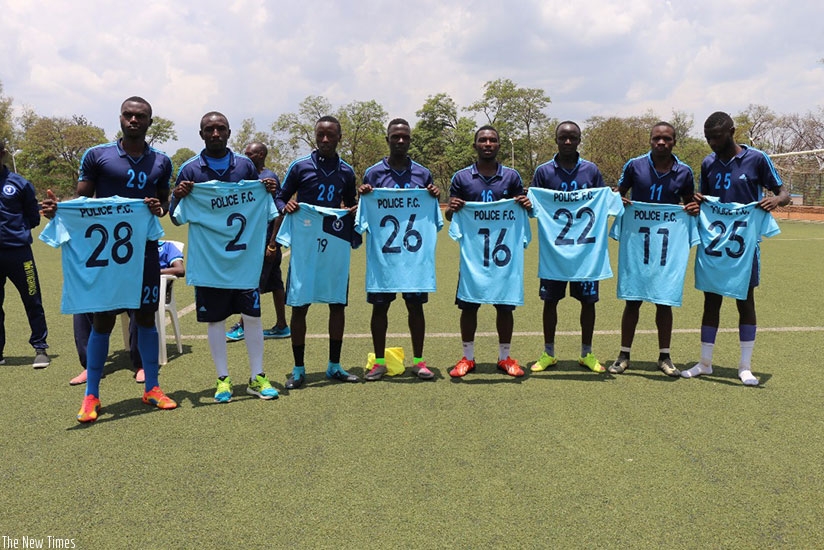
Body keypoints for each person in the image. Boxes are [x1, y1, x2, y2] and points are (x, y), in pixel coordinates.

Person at [40, 96, 177, 422]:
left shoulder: (162, 161)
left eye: (140, 116)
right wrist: (57, 211)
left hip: (143, 252)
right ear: (120, 118)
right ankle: (92, 396)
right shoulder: (97, 155)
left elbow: (164, 204)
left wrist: (160, 209)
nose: (133, 120)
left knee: (145, 318)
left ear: (149, 122)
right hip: (109, 259)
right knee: (102, 321)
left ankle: (152, 388)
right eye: (128, 115)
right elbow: (82, 201)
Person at [170, 112, 279, 403]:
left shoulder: (244, 166)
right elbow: (176, 217)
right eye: (209, 129)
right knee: (216, 321)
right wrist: (179, 195)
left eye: (220, 129)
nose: (215, 133)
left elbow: (262, 203)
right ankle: (223, 379)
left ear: (229, 132)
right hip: (210, 263)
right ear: (201, 133)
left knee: (253, 317)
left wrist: (266, 189)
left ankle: (257, 376)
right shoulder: (191, 169)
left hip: (244, 261)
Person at [681, 111, 789, 386]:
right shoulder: (708, 163)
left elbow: (783, 192)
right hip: (715, 246)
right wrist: (696, 203)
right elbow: (704, 201)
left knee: (745, 301)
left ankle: (745, 366)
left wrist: (775, 200)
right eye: (708, 138)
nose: (712, 143)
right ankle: (705, 363)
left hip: (744, 246)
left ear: (732, 132)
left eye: (716, 137)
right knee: (711, 302)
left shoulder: (756, 158)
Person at [275, 115, 360, 389]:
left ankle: (334, 365)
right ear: (315, 136)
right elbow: (279, 196)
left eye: (330, 135)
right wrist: (285, 206)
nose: (325, 139)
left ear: (339, 138)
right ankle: (298, 369)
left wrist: (352, 210)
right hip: (305, 242)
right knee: (300, 305)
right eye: (320, 134)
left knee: (337, 303)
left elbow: (352, 203)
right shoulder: (300, 166)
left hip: (333, 242)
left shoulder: (346, 171)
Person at [608, 122, 695, 377]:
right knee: (632, 301)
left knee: (663, 301)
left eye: (666, 139)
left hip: (668, 248)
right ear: (650, 140)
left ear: (674, 142)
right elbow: (617, 193)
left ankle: (665, 357)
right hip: (637, 244)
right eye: (656, 138)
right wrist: (618, 199)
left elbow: (689, 203)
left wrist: (692, 208)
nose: (661, 143)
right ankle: (624, 354)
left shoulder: (684, 171)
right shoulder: (634, 165)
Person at [446, 125, 531, 378]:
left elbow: (523, 212)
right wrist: (453, 208)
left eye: (492, 140)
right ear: (475, 145)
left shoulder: (512, 177)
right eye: (482, 140)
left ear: (498, 145)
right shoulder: (461, 178)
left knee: (504, 307)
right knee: (469, 306)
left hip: (504, 258)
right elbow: (451, 216)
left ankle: (505, 358)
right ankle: (468, 358)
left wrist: (526, 205)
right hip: (474, 257)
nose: (487, 144)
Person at [358, 118, 440, 381]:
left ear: (410, 140)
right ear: (388, 139)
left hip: (414, 257)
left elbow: (432, 215)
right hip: (384, 258)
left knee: (416, 308)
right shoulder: (373, 174)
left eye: (405, 137)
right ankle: (379, 362)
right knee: (380, 308)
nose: (400, 141)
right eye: (396, 136)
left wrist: (433, 194)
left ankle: (419, 361)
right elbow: (364, 214)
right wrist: (364, 194)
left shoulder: (422, 174)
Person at [529, 121, 607, 374]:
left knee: (588, 302)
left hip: (585, 253)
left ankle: (587, 353)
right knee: (550, 302)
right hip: (555, 252)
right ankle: (548, 353)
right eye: (563, 138)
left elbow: (601, 201)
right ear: (556, 139)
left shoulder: (591, 170)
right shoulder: (543, 172)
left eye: (573, 138)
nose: (568, 142)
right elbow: (534, 206)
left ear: (579, 139)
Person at [68, 240, 184, 385]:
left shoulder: (167, 246)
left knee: (139, 310)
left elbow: (180, 270)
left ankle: (141, 365)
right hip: (121, 287)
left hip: (147, 291)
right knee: (83, 309)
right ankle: (89, 366)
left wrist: (151, 273)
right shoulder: (126, 243)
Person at [225, 141, 290, 342]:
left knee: (253, 284)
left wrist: (272, 243)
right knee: (275, 283)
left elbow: (279, 212)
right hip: (255, 239)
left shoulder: (268, 178)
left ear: (261, 154)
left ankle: (243, 326)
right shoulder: (246, 177)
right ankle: (282, 325)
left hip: (265, 242)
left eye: (249, 154)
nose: (245, 157)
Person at [0, 140, 49, 368]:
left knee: (32, 299)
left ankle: (40, 348)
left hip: (19, 254)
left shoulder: (19, 184)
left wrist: (15, 233)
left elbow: (33, 217)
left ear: (2, 154)